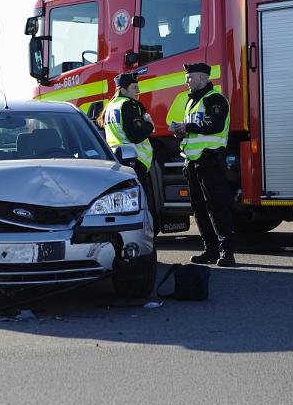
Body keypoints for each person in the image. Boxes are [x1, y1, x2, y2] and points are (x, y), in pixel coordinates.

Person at [170, 62, 235, 266]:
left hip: (210, 161)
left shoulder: (215, 99)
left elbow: (214, 126)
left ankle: (227, 253)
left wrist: (186, 126)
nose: (186, 81)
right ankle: (210, 250)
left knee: (218, 208)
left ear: (201, 78)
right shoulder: (191, 102)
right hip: (193, 163)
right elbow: (196, 130)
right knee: (199, 210)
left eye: (189, 77)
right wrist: (181, 131)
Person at [97, 73, 157, 228]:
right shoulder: (128, 105)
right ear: (122, 90)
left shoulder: (111, 106)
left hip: (119, 161)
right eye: (134, 88)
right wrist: (149, 124)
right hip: (136, 161)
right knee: (144, 204)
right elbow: (136, 135)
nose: (138, 91)